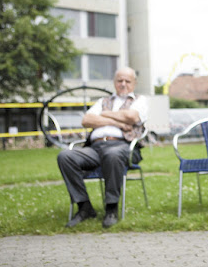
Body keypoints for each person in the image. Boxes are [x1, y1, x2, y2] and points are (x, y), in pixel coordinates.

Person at [57, 66, 148, 228]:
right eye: (120, 80)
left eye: (127, 81)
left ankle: (111, 208)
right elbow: (86, 120)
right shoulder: (102, 101)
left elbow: (131, 116)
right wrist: (117, 122)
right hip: (95, 148)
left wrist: (104, 114)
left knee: (113, 154)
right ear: (114, 83)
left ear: (134, 83)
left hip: (124, 146)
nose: (123, 84)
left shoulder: (140, 100)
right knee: (65, 156)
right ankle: (84, 207)